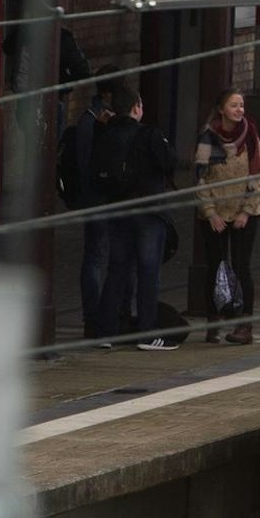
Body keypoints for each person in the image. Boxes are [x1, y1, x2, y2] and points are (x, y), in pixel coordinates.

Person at [92, 87, 177, 350]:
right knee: (148, 271)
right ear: (137, 107)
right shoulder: (149, 135)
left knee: (116, 270)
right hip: (148, 212)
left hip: (118, 210)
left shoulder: (105, 135)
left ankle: (106, 331)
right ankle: (147, 333)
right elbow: (169, 162)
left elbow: (94, 170)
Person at [194, 89, 260, 345]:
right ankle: (213, 321)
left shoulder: (251, 138)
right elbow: (200, 179)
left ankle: (244, 324)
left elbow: (258, 177)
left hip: (245, 215)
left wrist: (246, 211)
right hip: (215, 215)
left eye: (242, 105)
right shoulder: (207, 139)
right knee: (214, 267)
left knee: (242, 266)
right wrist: (210, 213)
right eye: (234, 105)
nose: (239, 110)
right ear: (221, 109)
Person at [58, 74, 114, 338]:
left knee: (98, 256)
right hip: (98, 200)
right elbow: (86, 165)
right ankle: (93, 317)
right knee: (96, 256)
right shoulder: (91, 124)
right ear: (107, 95)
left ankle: (97, 315)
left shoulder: (92, 120)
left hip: (97, 200)